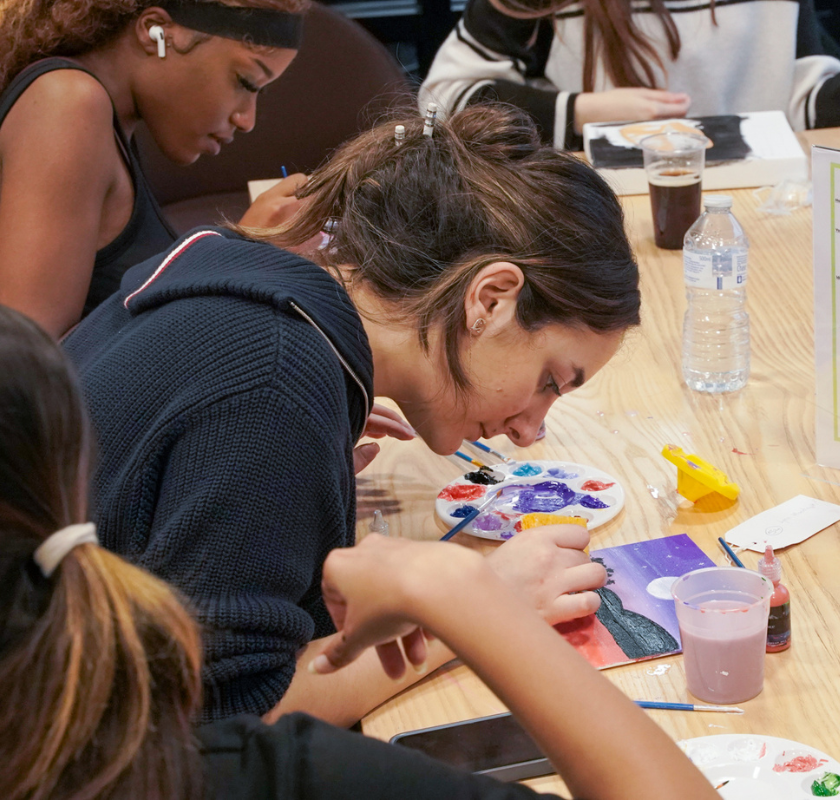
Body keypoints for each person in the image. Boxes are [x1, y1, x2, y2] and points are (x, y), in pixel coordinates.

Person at [62, 103, 638, 727]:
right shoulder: (274, 384)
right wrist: (479, 609)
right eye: (549, 381)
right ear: (490, 299)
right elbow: (226, 724)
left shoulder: (253, 278)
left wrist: (299, 467)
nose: (532, 429)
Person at [0, 304, 720, 800]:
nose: (532, 430)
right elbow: (240, 711)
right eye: (550, 382)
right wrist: (462, 600)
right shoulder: (221, 774)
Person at [0, 0, 311, 338]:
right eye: (245, 81)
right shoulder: (66, 103)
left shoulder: (110, 125)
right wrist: (232, 258)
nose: (247, 119)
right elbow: (26, 365)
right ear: (156, 33)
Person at [419, 0, 840, 150]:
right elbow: (443, 102)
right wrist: (582, 113)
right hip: (591, 229)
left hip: (753, 216)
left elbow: (793, 102)